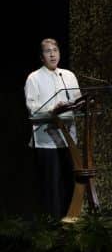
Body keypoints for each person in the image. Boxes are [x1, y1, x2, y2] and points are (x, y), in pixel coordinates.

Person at [24, 38, 81, 220]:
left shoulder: (68, 75)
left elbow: (78, 100)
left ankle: (70, 221)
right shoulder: (34, 78)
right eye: (48, 51)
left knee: (69, 182)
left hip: (68, 138)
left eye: (55, 50)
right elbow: (32, 108)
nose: (52, 54)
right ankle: (53, 226)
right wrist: (52, 110)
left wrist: (80, 104)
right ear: (42, 57)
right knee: (52, 186)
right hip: (46, 140)